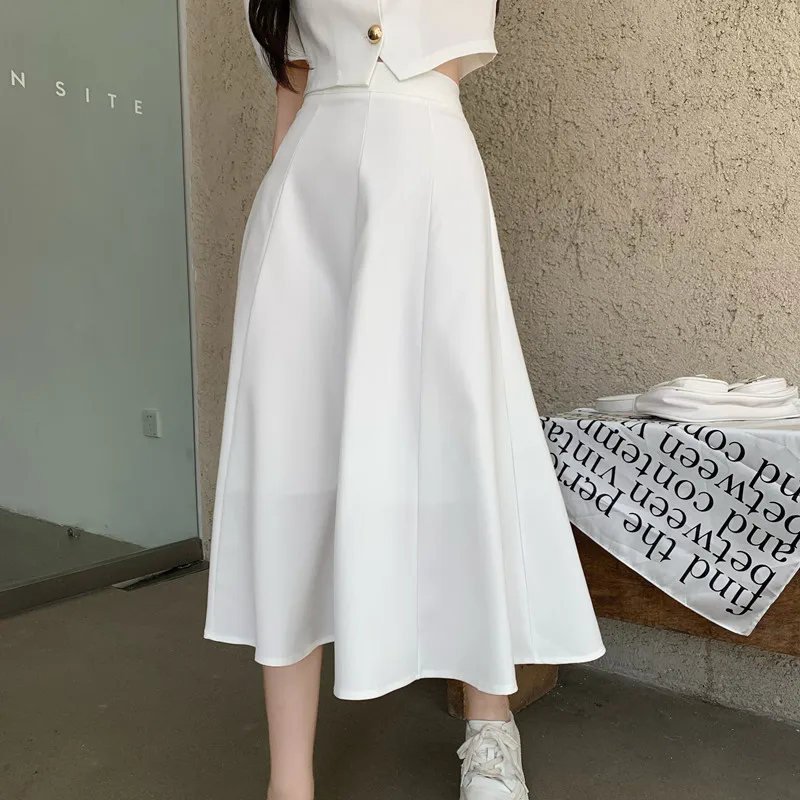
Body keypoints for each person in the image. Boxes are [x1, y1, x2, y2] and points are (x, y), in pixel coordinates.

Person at [204, 2, 605, 798]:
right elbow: (291, 91)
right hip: (308, 204)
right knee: (293, 464)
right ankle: (289, 778)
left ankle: (491, 727)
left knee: (460, 442)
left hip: (430, 183)